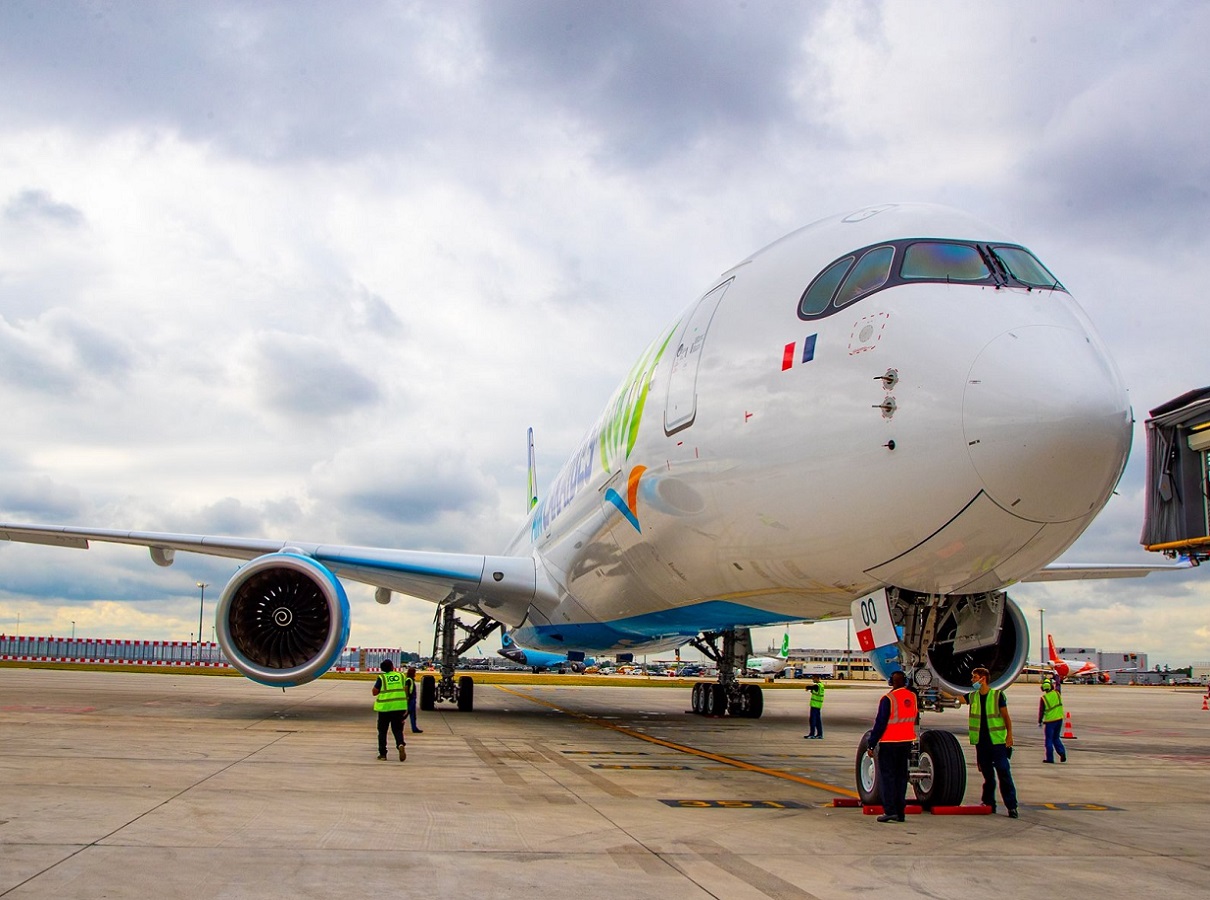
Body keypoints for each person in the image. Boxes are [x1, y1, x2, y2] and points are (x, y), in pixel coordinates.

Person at [866, 670, 918, 823]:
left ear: (891, 682)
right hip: (906, 743)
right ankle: (901, 812)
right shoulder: (913, 697)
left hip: (890, 743)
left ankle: (890, 811)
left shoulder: (888, 699)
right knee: (901, 778)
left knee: (888, 778)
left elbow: (880, 723)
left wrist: (871, 743)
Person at [967, 666, 1017, 817]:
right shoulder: (972, 696)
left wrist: (1009, 736)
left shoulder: (997, 695)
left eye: (974, 677)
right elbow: (953, 697)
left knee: (1003, 772)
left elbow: (1006, 717)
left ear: (983, 679)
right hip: (981, 743)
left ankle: (1012, 806)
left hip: (997, 743)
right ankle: (989, 803)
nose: (972, 680)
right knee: (988, 775)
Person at [372, 658, 408, 761]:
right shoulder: (401, 676)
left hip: (385, 708)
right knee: (397, 729)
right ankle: (400, 744)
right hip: (399, 707)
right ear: (392, 667)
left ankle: (383, 754)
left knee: (382, 731)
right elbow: (406, 690)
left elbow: (375, 692)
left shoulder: (382, 678)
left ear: (382, 668)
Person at [1038, 678, 1066, 763]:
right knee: (1056, 738)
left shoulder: (1044, 698)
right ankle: (1062, 752)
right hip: (1059, 719)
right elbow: (1058, 684)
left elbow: (1041, 711)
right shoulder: (1057, 693)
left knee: (1049, 740)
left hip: (1050, 721)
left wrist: (1040, 721)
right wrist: (1056, 676)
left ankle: (1050, 758)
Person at [405, 665, 423, 733]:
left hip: (412, 699)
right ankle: (398, 725)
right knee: (407, 713)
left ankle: (414, 728)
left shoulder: (411, 680)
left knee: (413, 715)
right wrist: (407, 698)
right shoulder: (409, 680)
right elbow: (407, 689)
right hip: (410, 699)